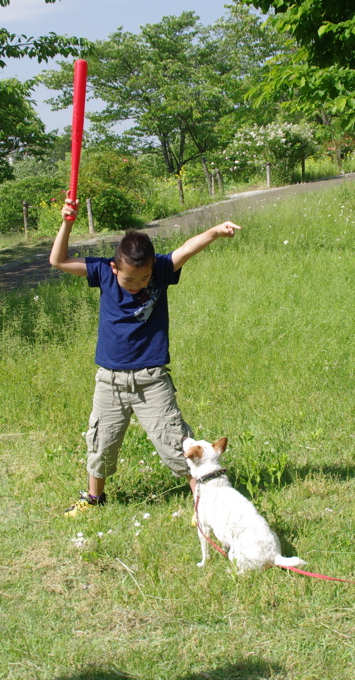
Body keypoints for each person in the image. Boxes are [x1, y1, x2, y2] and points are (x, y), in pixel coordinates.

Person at [49, 199, 241, 517]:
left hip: (151, 380)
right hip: (110, 380)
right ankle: (95, 498)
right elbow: (58, 260)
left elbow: (186, 249)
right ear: (114, 268)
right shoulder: (103, 272)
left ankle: (205, 500)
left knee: (174, 439)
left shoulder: (161, 271)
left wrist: (214, 232)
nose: (138, 285)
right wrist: (67, 222)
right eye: (130, 280)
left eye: (144, 279)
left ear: (153, 266)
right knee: (101, 441)